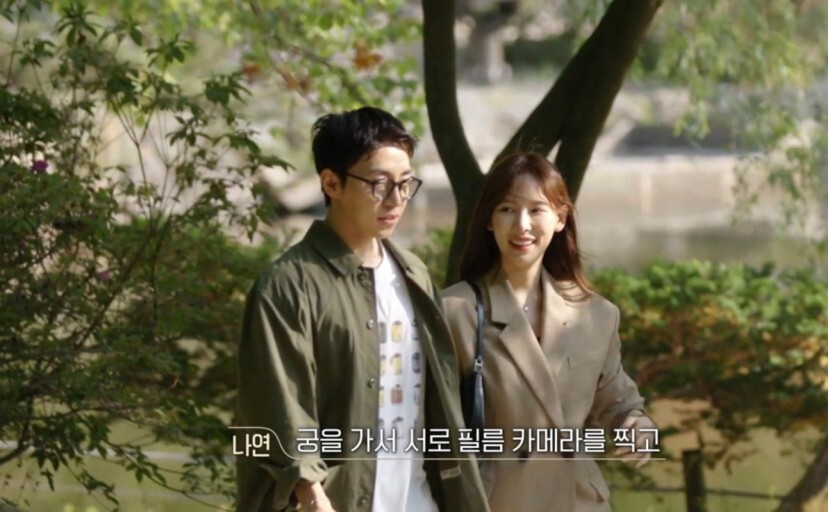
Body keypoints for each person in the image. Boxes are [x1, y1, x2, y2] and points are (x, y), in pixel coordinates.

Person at [235, 106, 489, 512]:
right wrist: (313, 497)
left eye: (405, 184)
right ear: (331, 183)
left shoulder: (414, 274)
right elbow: (277, 410)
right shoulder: (288, 285)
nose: (396, 199)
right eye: (379, 184)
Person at [442, 152, 656, 512]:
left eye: (536, 209)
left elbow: (618, 401)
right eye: (507, 209)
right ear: (490, 221)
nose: (522, 225)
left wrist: (636, 426)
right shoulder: (454, 311)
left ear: (560, 218)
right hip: (497, 501)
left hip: (578, 501)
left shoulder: (595, 315)